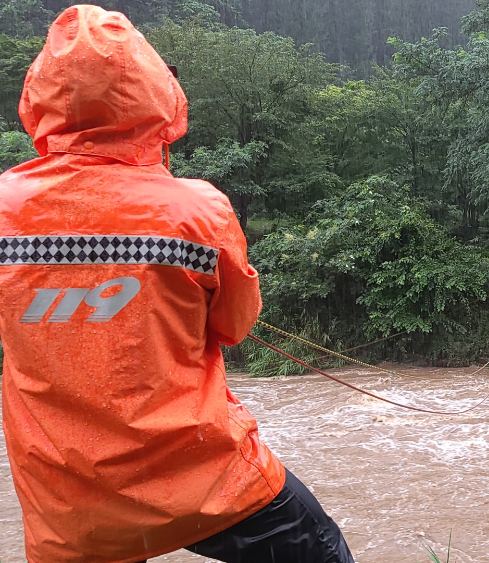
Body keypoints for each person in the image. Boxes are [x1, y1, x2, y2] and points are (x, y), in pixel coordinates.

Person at [0, 6, 354, 563]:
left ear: (39, 99)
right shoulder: (197, 210)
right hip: (202, 474)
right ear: (154, 95)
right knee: (321, 549)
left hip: (66, 497)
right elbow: (234, 325)